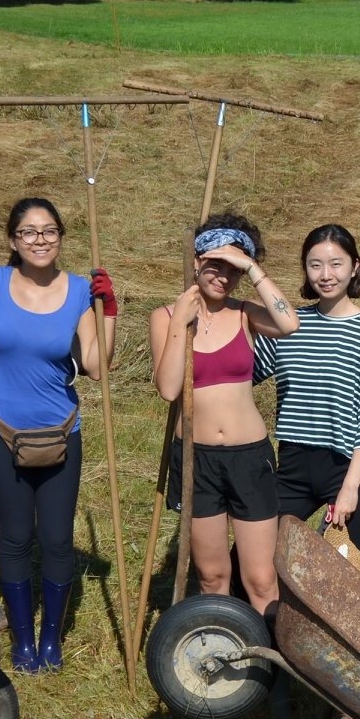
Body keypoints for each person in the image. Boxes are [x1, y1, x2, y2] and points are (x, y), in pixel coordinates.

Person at [0, 198, 116, 673]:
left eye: (49, 231)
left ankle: (51, 638)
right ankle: (22, 640)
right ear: (13, 239)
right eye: (29, 232)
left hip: (60, 434)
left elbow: (95, 365)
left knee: (55, 538)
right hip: (1, 433)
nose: (40, 240)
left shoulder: (77, 292)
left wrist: (107, 310)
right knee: (13, 538)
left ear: (60, 237)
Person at [151, 214, 297, 614]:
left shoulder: (246, 313)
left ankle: (272, 662)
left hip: (248, 457)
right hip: (197, 459)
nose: (223, 276)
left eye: (234, 270)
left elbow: (289, 322)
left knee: (262, 578)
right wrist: (182, 320)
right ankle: (224, 661)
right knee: (213, 576)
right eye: (215, 265)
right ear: (196, 261)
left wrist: (253, 268)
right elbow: (167, 389)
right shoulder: (165, 316)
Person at [253, 224, 360, 566]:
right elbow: (245, 373)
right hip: (292, 462)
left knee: (350, 567)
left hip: (346, 464)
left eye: (336, 264)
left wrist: (349, 488)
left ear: (355, 267)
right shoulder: (288, 325)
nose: (325, 275)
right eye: (315, 264)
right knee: (257, 559)